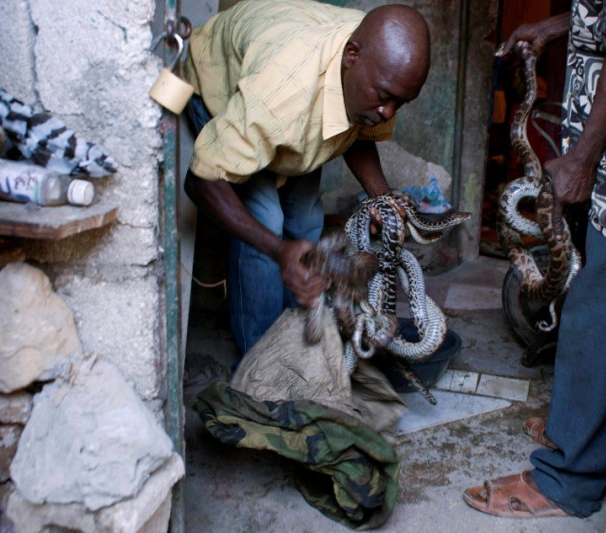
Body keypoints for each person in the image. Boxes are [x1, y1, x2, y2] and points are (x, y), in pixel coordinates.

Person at [463, 0, 606, 519]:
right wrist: (556, 25)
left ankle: (570, 478)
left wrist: (584, 157)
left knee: (600, 295)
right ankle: (579, 426)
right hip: (599, 137)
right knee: (580, 282)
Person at [180, 0, 431, 356]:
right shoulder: (281, 93)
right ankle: (262, 365)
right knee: (265, 219)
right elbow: (202, 180)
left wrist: (381, 197)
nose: (388, 112)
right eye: (385, 99)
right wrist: (277, 249)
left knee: (306, 218)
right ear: (351, 56)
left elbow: (358, 129)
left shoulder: (379, 75)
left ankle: (296, 336)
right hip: (219, 82)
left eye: (401, 103)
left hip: (288, 104)